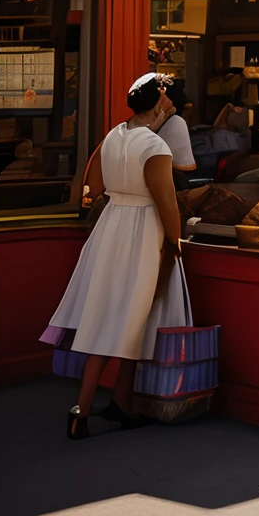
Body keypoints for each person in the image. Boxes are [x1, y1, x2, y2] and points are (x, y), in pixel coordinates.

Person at [46, 73, 190, 438]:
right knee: (129, 317)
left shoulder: (114, 134)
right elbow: (166, 201)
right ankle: (96, 405)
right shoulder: (155, 146)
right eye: (166, 100)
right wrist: (174, 241)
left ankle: (113, 404)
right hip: (142, 230)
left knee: (118, 316)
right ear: (158, 103)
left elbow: (95, 182)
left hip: (111, 227)